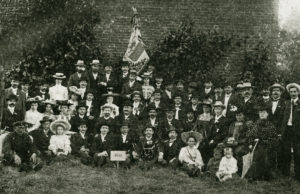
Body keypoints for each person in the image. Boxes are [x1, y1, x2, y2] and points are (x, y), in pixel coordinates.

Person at [245, 103, 278, 181]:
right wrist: (250, 143)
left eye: (264, 112)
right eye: (260, 112)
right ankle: (250, 173)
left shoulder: (271, 125)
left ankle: (257, 175)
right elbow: (249, 135)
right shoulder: (255, 124)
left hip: (266, 147)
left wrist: (261, 140)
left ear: (267, 114)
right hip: (254, 146)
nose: (262, 114)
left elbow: (273, 139)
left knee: (261, 153)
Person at [281, 83, 300, 180]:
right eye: (291, 92)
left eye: (294, 92)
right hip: (287, 130)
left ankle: (298, 174)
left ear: (298, 92)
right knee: (286, 152)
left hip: (297, 131)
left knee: (298, 153)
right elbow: (283, 118)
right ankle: (285, 173)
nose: (293, 93)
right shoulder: (287, 103)